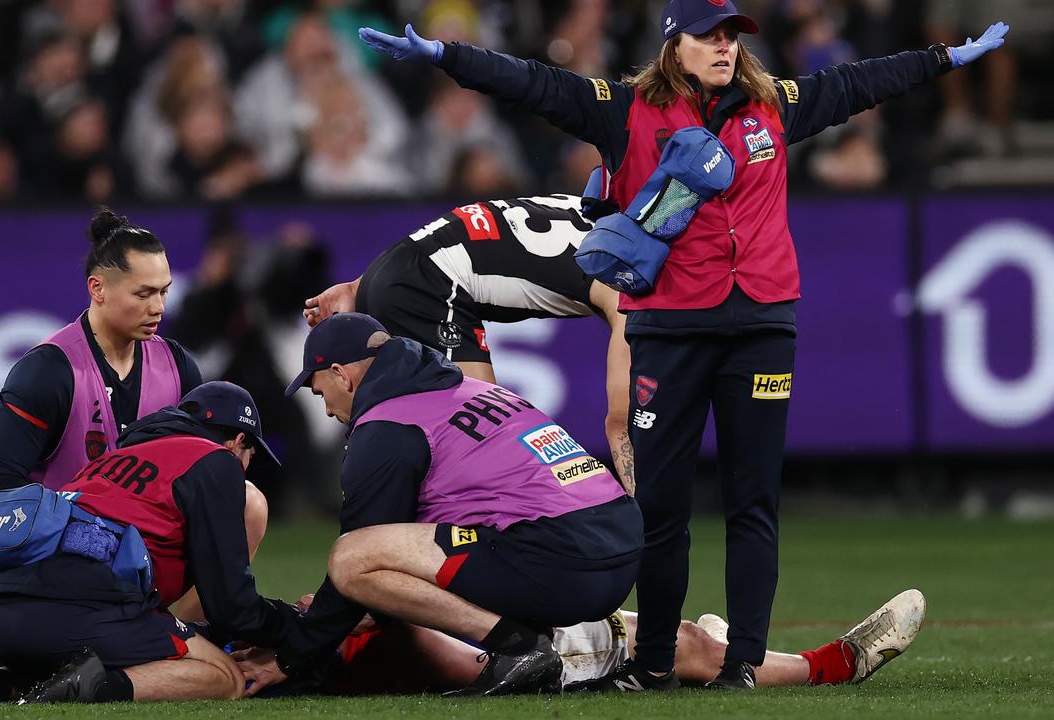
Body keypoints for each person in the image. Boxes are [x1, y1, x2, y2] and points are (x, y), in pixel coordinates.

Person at [357, 1, 1008, 690]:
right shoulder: (624, 111)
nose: (723, 47)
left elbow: (855, 84)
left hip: (762, 329)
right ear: (675, 44)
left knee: (752, 504)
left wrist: (940, 59)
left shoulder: (772, 105)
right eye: (708, 36)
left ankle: (744, 666)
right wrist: (448, 56)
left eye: (731, 36)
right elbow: (533, 82)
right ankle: (656, 662)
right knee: (660, 509)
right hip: (667, 333)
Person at [245, 312, 642, 696]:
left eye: (319, 393)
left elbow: (363, 553)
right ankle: (614, 644)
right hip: (620, 548)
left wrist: (290, 658)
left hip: (561, 561)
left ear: (340, 375)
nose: (328, 409)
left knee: (350, 557)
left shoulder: (387, 426)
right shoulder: (467, 388)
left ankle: (519, 647)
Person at [0, 382, 297, 704]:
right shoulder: (216, 460)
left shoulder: (106, 461)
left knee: (105, 635)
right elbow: (230, 606)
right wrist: (296, 629)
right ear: (237, 442)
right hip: (76, 606)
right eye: (249, 457)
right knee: (223, 675)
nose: (245, 468)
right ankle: (95, 688)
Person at [303, 193, 638, 490]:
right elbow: (620, 424)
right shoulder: (628, 281)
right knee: (487, 436)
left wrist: (360, 285)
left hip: (403, 269)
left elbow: (463, 234)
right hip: (427, 287)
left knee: (477, 433)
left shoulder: (592, 211)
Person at [261, 588, 925, 694]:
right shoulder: (345, 655)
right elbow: (457, 661)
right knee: (686, 646)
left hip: (487, 634)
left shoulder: (289, 638)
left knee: (683, 647)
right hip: (502, 655)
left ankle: (726, 658)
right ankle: (837, 665)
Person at [0, 208, 203, 499]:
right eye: (144, 294)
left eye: (164, 292)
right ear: (98, 289)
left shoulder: (179, 368)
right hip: (60, 537)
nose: (158, 307)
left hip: (147, 537)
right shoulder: (48, 371)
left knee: (247, 503)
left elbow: (199, 473)